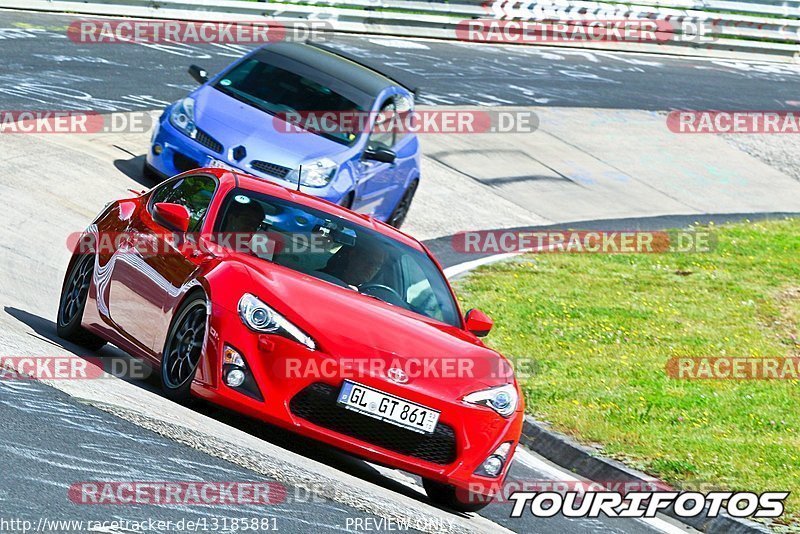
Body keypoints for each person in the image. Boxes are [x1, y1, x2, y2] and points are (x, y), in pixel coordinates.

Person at [320, 239, 386, 287]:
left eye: (378, 265)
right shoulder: (320, 279)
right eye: (369, 260)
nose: (372, 267)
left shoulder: (375, 298)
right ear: (353, 255)